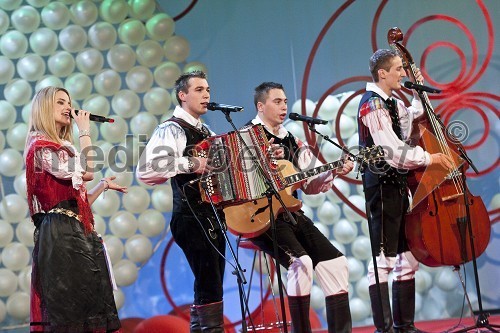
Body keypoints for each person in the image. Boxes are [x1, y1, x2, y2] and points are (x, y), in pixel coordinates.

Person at [243, 82, 353, 333]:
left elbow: (311, 186)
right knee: (300, 262)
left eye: (285, 101)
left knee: (336, 264)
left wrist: (333, 171)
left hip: (290, 212)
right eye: (277, 102)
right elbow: (238, 179)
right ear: (260, 106)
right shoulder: (246, 137)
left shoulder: (293, 140)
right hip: (259, 217)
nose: (284, 106)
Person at [357, 49, 454, 333]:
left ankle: (405, 326)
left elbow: (410, 118)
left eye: (404, 68)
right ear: (382, 73)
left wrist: (418, 94)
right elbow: (393, 151)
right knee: (383, 259)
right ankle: (384, 328)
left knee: (407, 257)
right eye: (399, 69)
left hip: (396, 185)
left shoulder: (391, 102)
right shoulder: (372, 105)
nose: (403, 74)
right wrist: (430, 158)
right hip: (381, 186)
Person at [25, 86, 127, 332]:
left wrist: (103, 186)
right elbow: (88, 171)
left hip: (76, 229)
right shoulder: (42, 147)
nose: (68, 108)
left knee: (89, 306)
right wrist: (85, 132)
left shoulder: (63, 147)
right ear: (45, 108)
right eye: (60, 102)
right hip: (60, 235)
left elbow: (75, 202)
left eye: (68, 103)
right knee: (71, 309)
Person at [136, 70, 226, 332]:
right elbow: (146, 169)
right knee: (209, 282)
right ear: (182, 95)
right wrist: (190, 163)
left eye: (208, 89)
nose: (207, 94)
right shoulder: (171, 128)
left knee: (212, 282)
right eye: (199, 89)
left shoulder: (207, 130)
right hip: (191, 215)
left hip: (212, 215)